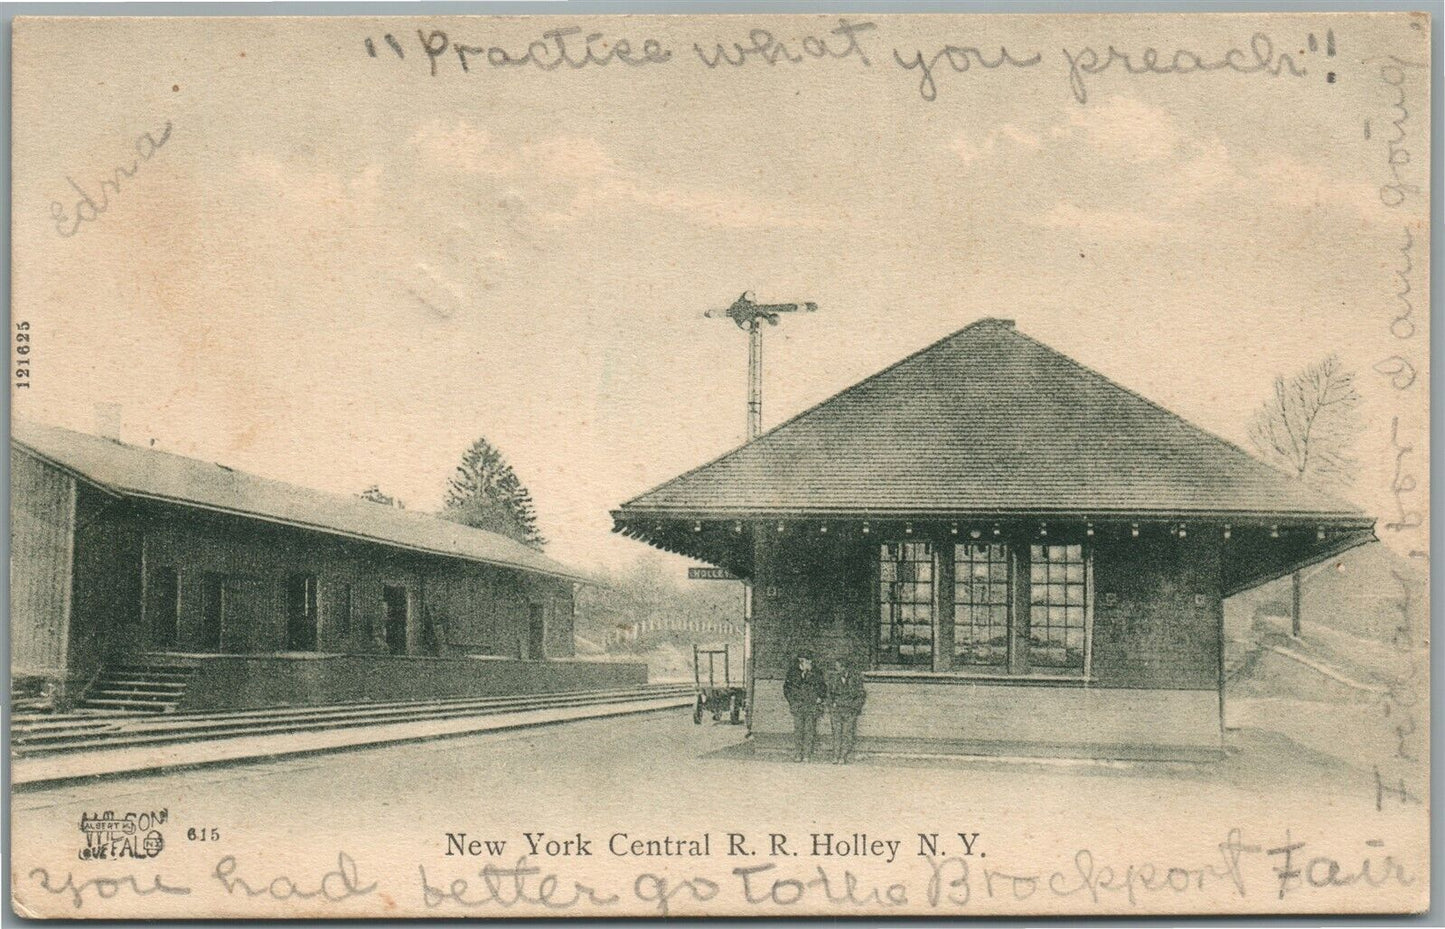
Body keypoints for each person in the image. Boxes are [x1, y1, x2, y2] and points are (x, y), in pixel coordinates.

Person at [783, 653, 827, 762]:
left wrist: (820, 698)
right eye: (806, 661)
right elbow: (787, 689)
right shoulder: (792, 673)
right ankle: (798, 754)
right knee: (798, 730)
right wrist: (792, 702)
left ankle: (807, 754)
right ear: (801, 661)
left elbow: (823, 687)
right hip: (798, 706)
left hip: (811, 706)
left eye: (810, 661)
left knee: (809, 730)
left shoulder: (816, 673)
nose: (809, 663)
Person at [826, 658, 866, 764]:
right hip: (837, 710)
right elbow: (829, 694)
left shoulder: (855, 679)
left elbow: (861, 695)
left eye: (839, 667)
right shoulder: (833, 679)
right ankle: (835, 755)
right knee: (836, 733)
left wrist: (854, 708)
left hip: (849, 710)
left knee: (847, 734)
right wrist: (831, 706)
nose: (837, 669)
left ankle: (843, 756)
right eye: (836, 667)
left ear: (845, 668)